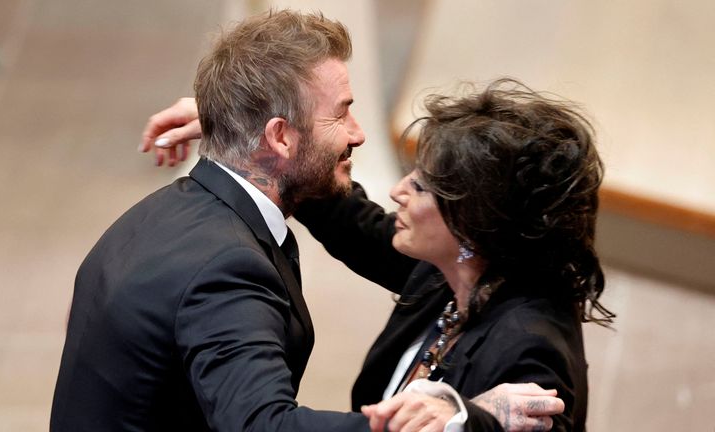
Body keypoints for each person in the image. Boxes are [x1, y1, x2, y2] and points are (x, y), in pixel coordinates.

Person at [53, 9, 560, 432]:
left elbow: (357, 228)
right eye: (341, 113)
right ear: (280, 137)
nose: (359, 135)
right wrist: (451, 423)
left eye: (424, 184)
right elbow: (262, 426)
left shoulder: (161, 214)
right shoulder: (225, 267)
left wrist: (239, 124)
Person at [141, 79, 613, 431]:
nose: (398, 191)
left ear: (474, 220)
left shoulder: (532, 344)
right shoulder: (453, 269)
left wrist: (466, 418)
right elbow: (354, 223)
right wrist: (249, 132)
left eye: (422, 185)